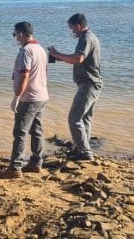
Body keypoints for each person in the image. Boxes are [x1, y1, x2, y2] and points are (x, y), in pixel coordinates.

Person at [48, 13, 102, 161]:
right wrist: (59, 57)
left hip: (88, 84)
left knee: (74, 119)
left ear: (78, 26)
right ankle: (82, 149)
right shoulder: (90, 37)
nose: (72, 32)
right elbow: (78, 59)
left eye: (72, 28)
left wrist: (58, 54)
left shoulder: (86, 38)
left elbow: (78, 59)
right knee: (84, 120)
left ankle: (85, 152)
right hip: (91, 83)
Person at [0, 22, 49, 179]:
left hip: (29, 98)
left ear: (21, 34)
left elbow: (25, 74)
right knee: (37, 130)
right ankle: (36, 162)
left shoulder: (26, 51)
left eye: (15, 35)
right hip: (42, 95)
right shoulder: (41, 49)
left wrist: (16, 96)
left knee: (20, 132)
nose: (15, 38)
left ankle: (15, 168)